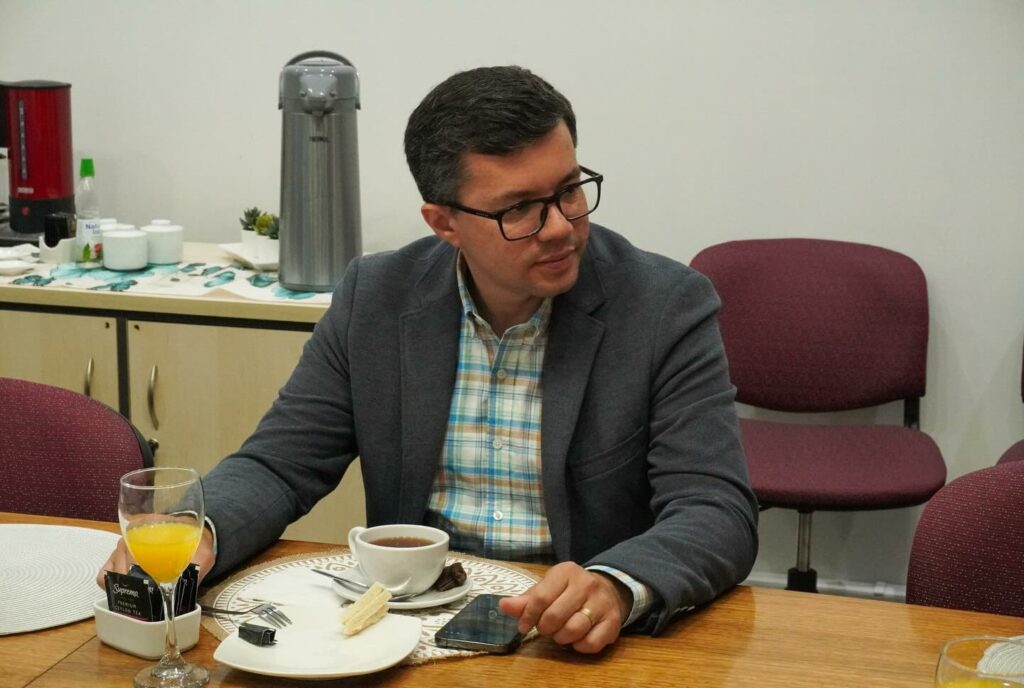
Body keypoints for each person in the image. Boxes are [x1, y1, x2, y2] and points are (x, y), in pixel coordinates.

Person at [99, 65, 758, 653]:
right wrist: (199, 532)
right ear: (444, 223)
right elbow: (281, 463)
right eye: (520, 209)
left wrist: (616, 584)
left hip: (574, 640)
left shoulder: (663, 306)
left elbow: (714, 506)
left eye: (569, 190)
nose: (560, 225)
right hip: (409, 630)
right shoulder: (377, 297)